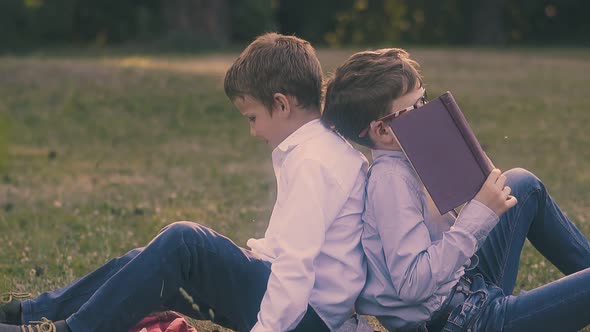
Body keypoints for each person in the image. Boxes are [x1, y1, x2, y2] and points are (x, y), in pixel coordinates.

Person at [0, 33, 369, 332]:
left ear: (282, 104)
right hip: (295, 302)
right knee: (144, 262)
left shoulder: (315, 161)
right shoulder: (316, 149)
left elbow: (295, 269)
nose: (253, 131)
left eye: (252, 117)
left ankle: (71, 330)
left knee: (184, 241)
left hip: (307, 316)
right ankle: (26, 313)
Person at [321, 48, 590, 332]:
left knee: (523, 184)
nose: (426, 111)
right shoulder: (391, 182)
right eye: (414, 108)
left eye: (424, 99)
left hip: (466, 290)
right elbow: (413, 283)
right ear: (383, 131)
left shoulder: (410, 157)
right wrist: (479, 215)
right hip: (464, 322)